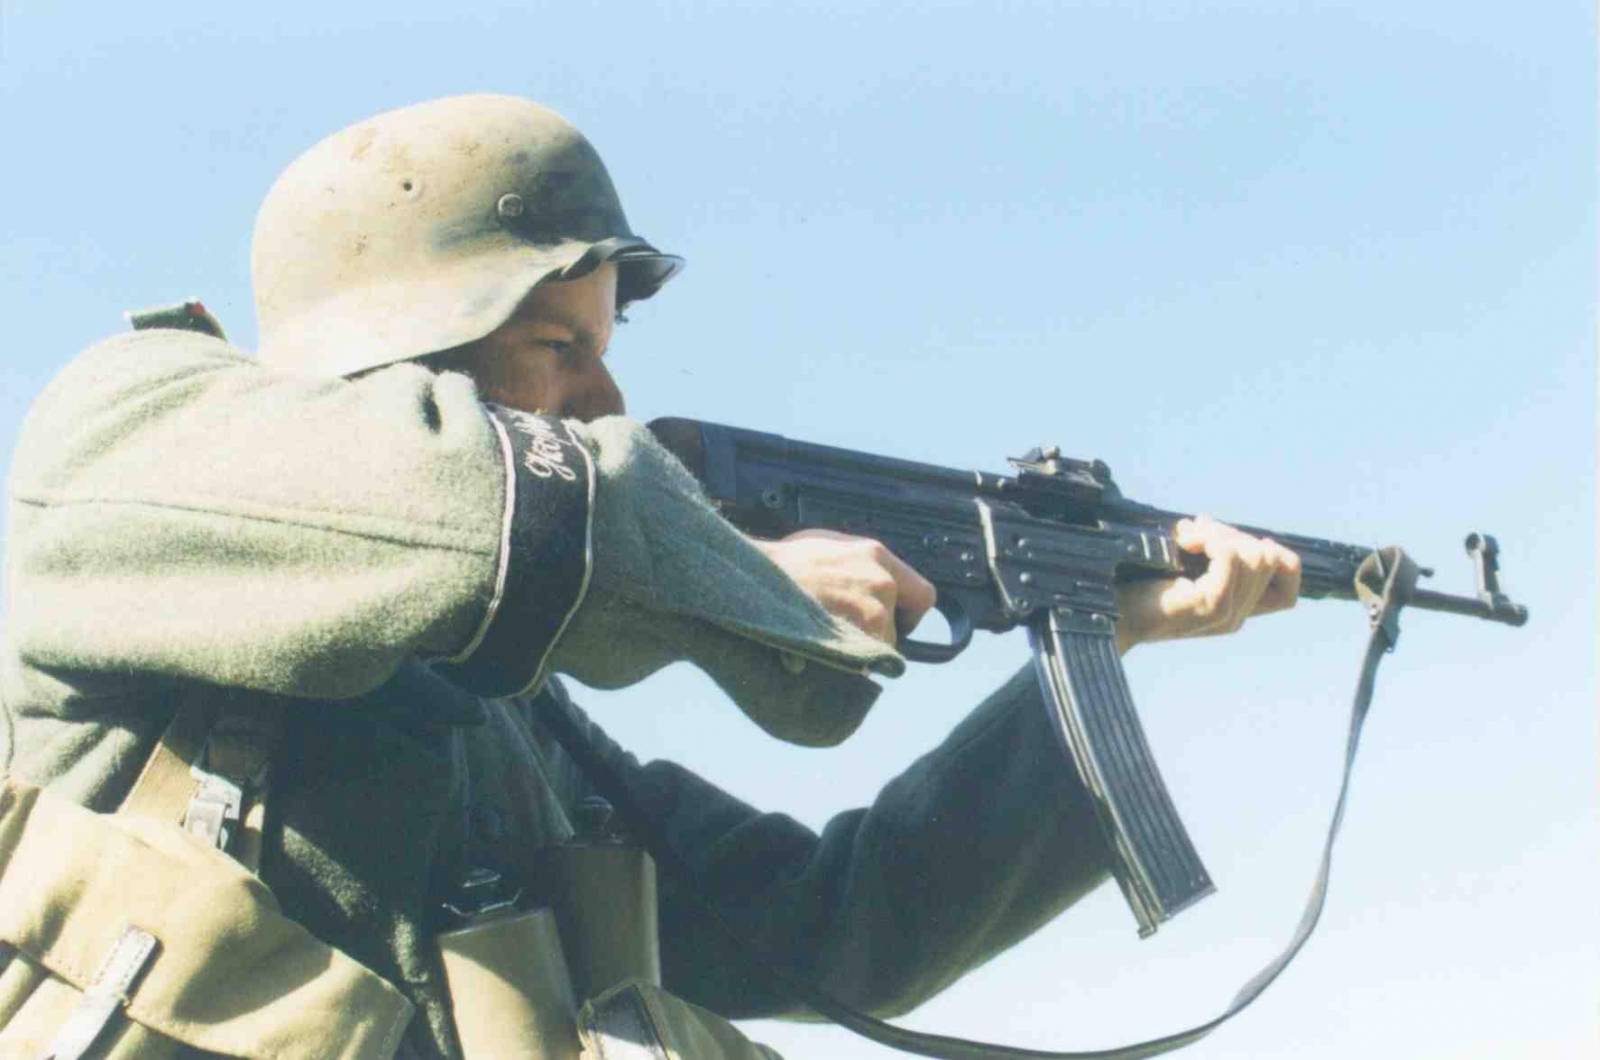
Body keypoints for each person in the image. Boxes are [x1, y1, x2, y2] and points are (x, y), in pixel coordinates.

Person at [0, 94, 1301, 1058]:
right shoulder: (135, 432)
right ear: (403, 342)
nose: (607, 400)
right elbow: (472, 507)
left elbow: (832, 928)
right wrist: (756, 576)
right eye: (558, 345)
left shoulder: (517, 737)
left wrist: (1102, 647)